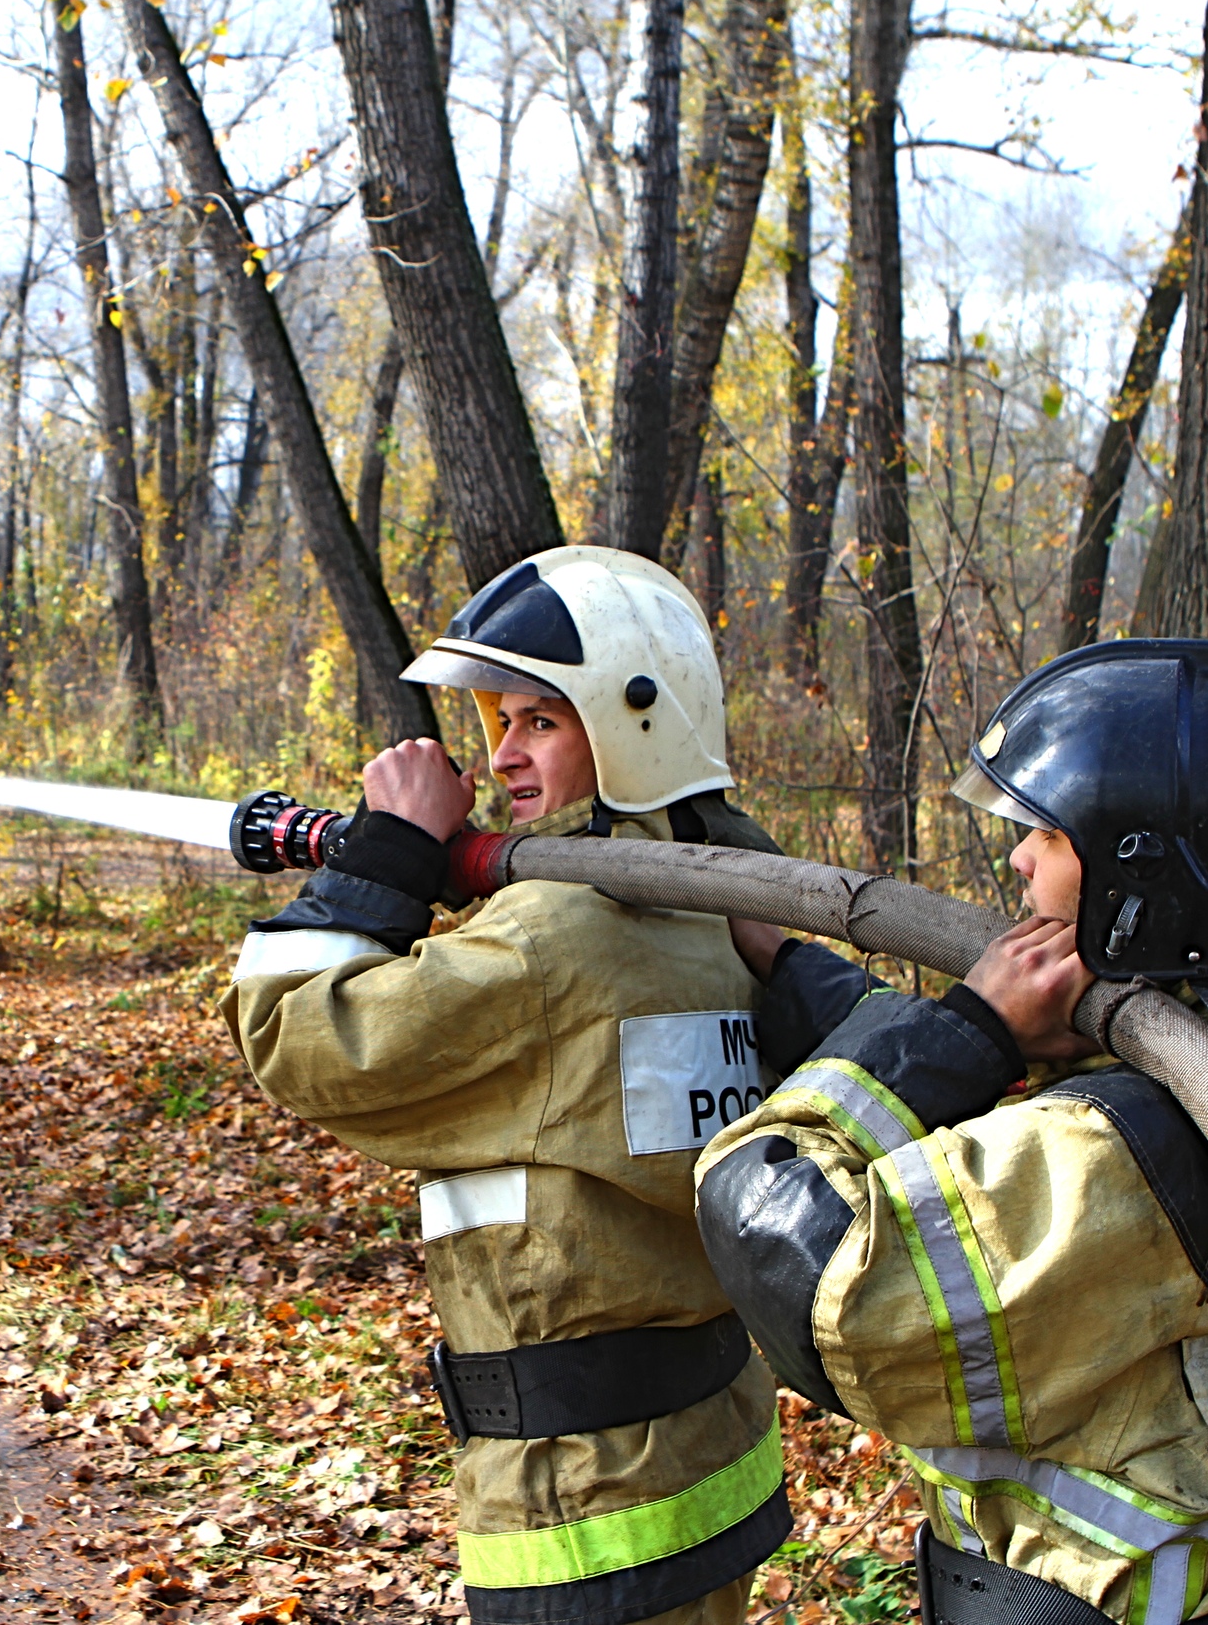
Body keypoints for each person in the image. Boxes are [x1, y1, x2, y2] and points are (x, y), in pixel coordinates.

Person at [696, 640, 1208, 1625]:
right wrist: (798, 969)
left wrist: (973, 1028)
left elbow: (782, 1245)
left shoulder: (1116, 1151)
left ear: (1144, 882)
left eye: (1046, 833)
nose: (1017, 858)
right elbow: (987, 1123)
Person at [224, 547, 794, 1625]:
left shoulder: (552, 938)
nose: (502, 755)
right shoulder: (727, 898)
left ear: (632, 719)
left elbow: (296, 1035)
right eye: (496, 721)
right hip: (709, 1459)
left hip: (578, 1501)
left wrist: (385, 857)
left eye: (540, 719)